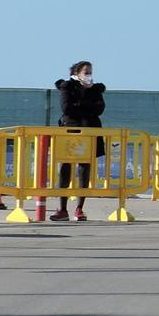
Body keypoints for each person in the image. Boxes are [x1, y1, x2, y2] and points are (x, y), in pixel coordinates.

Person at [51, 61, 105, 222]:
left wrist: (82, 106)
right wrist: (88, 107)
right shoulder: (67, 86)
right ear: (77, 72)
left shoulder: (96, 89)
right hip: (70, 131)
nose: (88, 75)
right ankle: (62, 208)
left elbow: (100, 108)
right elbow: (67, 108)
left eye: (90, 72)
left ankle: (80, 208)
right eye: (85, 72)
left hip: (90, 131)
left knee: (84, 168)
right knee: (65, 167)